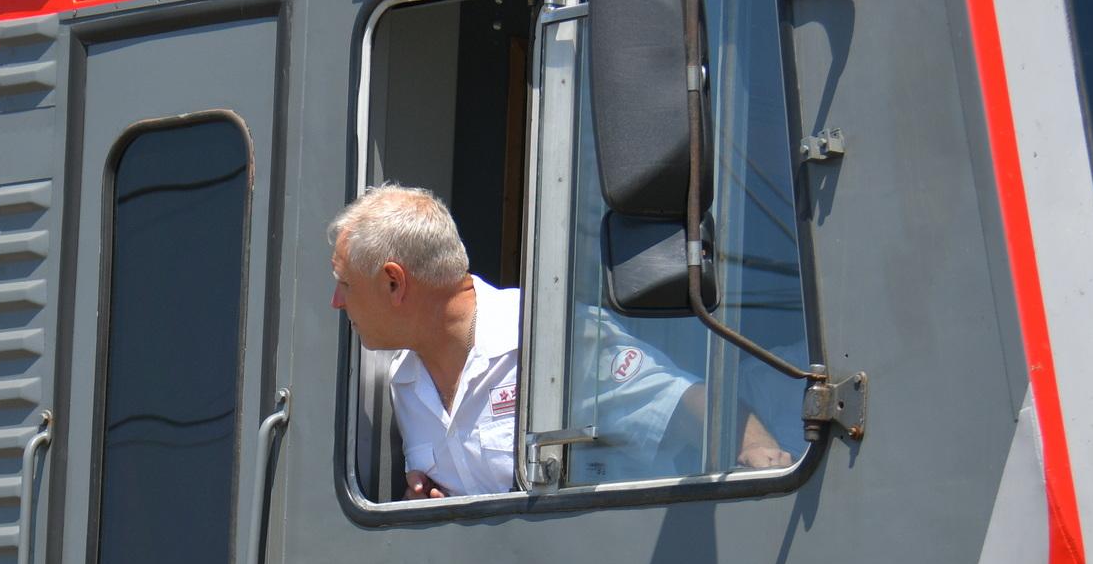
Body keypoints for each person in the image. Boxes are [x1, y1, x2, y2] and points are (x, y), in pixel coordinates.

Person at [328, 184, 790, 499]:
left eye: (345, 284)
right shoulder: (404, 386)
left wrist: (757, 450)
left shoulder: (555, 340)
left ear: (394, 283)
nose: (336, 302)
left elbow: (681, 398)